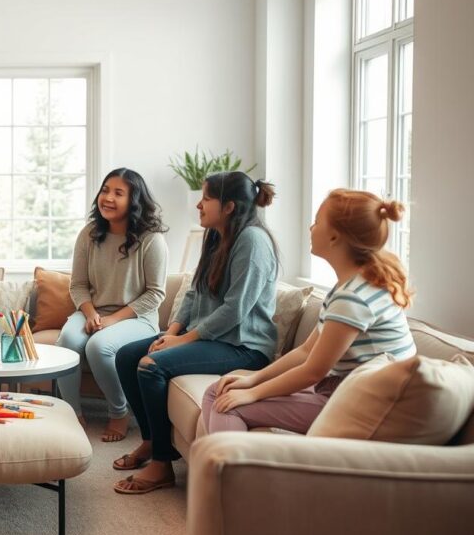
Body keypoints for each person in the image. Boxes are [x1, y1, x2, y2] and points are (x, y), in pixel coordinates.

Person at [112, 171, 279, 495]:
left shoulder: (252, 241)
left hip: (244, 346)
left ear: (228, 206)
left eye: (206, 198)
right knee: (127, 355)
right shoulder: (216, 235)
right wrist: (171, 332)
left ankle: (162, 465)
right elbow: (193, 293)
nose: (199, 205)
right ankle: (150, 440)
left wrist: (183, 340)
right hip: (211, 338)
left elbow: (236, 309)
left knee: (151, 366)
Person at [202, 189, 416, 434]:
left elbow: (314, 371)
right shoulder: (353, 286)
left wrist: (253, 393)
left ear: (335, 237)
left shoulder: (353, 297)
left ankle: (226, 470)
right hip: (345, 390)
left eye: (316, 222)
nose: (311, 227)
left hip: (358, 403)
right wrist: (253, 378)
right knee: (219, 390)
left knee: (225, 405)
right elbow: (306, 351)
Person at [55, 168, 168, 441]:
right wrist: (91, 313)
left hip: (137, 319)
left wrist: (111, 320)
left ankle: (119, 412)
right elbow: (78, 285)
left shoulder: (151, 239)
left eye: (118, 193)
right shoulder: (89, 234)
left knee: (99, 345)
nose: (108, 197)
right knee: (67, 343)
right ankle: (73, 413)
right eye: (105, 190)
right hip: (95, 312)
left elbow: (155, 293)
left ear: (135, 200)